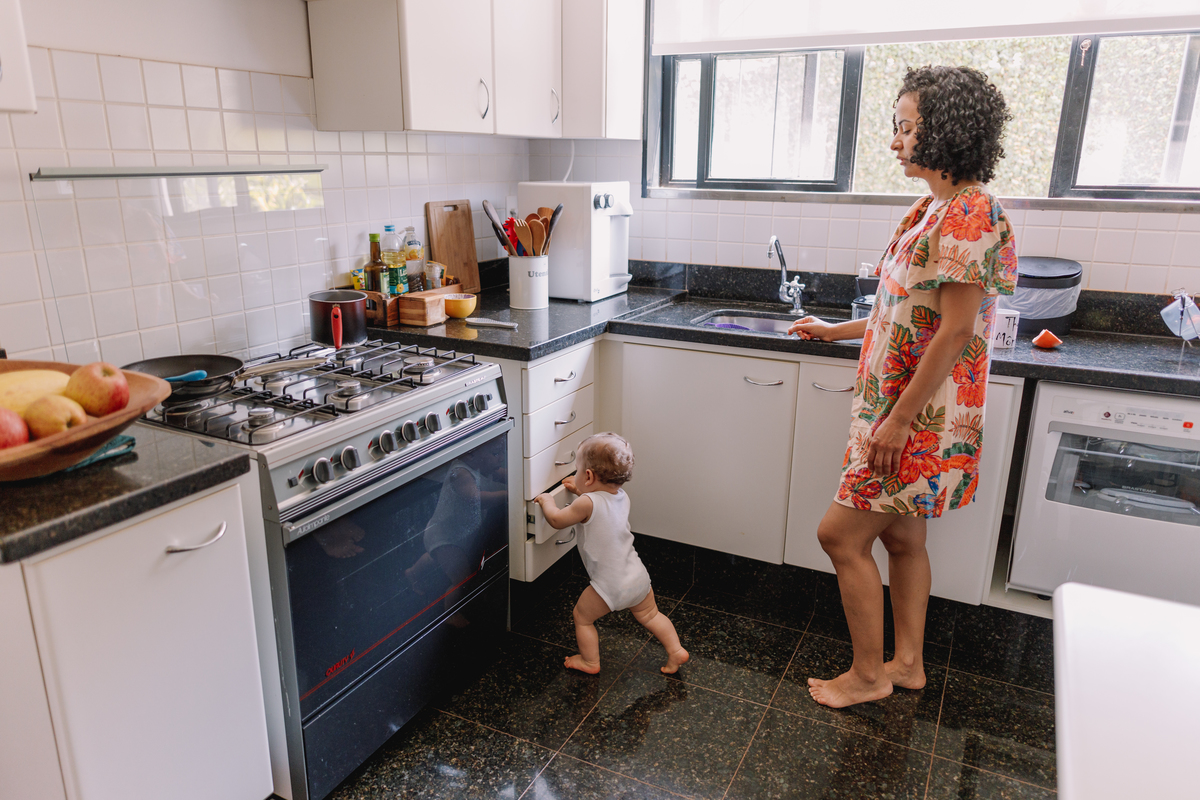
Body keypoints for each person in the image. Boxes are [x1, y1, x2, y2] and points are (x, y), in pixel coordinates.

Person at [788, 65, 1018, 708]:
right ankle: (908, 664)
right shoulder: (933, 206)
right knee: (901, 536)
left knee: (838, 536)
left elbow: (955, 332)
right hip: (899, 405)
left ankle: (867, 676)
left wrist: (897, 422)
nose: (895, 141)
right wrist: (836, 331)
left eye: (905, 127)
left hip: (914, 416)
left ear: (943, 131)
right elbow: (907, 309)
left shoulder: (971, 211)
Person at [534, 433, 689, 675]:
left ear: (588, 476)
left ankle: (590, 662)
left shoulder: (585, 504)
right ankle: (676, 650)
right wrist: (579, 492)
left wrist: (546, 502)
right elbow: (599, 507)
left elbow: (556, 520)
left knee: (582, 617)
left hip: (609, 585)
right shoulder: (621, 496)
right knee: (651, 615)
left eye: (577, 470)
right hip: (637, 576)